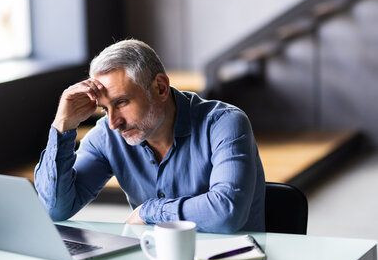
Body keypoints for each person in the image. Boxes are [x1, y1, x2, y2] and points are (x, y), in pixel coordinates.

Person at [34, 39, 265, 233]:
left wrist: (150, 212)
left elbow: (227, 213)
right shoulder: (107, 135)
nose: (114, 122)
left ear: (161, 88)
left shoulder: (224, 123)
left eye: (122, 102)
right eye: (105, 108)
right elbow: (55, 209)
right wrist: (63, 124)